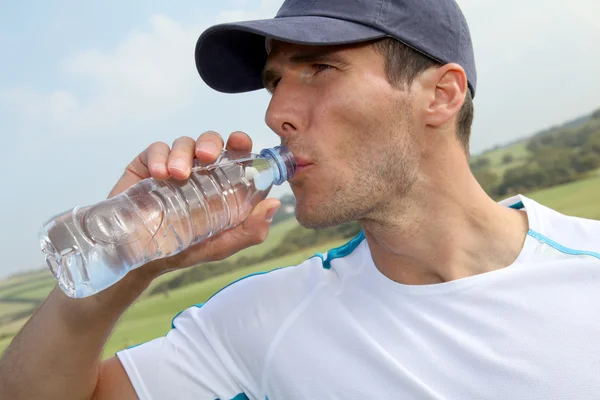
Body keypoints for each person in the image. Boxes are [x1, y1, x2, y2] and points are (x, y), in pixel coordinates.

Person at [2, 0, 600, 398]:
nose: (275, 112)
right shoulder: (262, 320)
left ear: (441, 95)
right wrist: (132, 258)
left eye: (318, 69)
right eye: (274, 81)